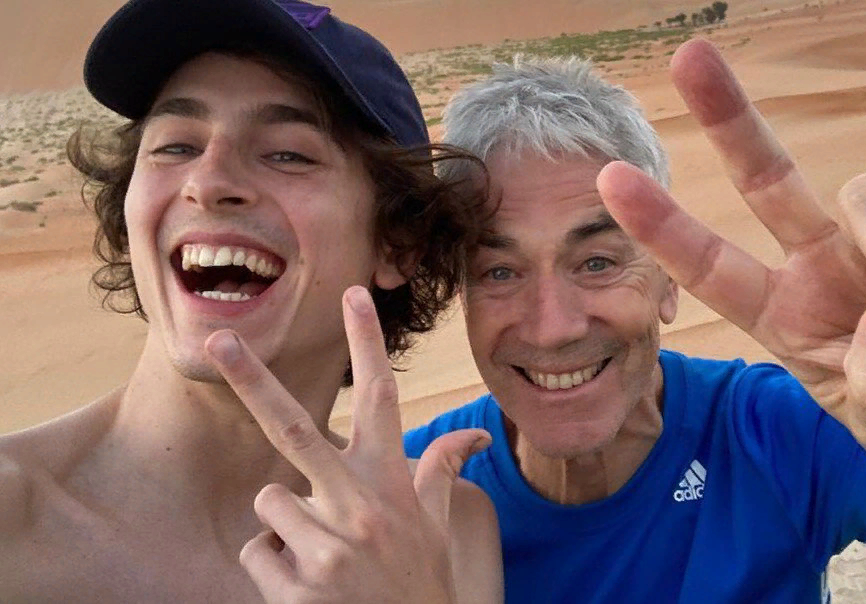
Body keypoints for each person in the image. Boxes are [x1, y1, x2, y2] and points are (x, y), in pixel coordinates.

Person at [403, 42, 866, 602]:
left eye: (598, 262)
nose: (552, 327)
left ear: (668, 278)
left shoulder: (776, 430)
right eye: (499, 271)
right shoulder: (407, 496)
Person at [0, 0, 502, 601]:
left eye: (288, 154)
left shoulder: (442, 529)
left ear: (398, 243)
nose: (208, 182)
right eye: (175, 146)